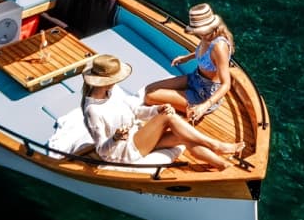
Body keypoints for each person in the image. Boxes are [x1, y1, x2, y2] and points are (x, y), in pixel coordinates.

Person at [81, 54, 243, 169]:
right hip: (123, 151)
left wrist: (156, 109)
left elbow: (135, 111)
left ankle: (222, 165)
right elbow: (102, 150)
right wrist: (115, 138)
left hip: (137, 136)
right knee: (168, 118)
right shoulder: (93, 110)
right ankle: (215, 145)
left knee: (183, 136)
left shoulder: (113, 92)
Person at [144, 3, 235, 123]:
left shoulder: (219, 47)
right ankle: (183, 108)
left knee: (149, 97)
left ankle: (192, 111)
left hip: (204, 94)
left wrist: (205, 106)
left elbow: (226, 84)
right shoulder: (207, 35)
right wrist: (186, 58)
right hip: (195, 78)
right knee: (149, 88)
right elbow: (205, 54)